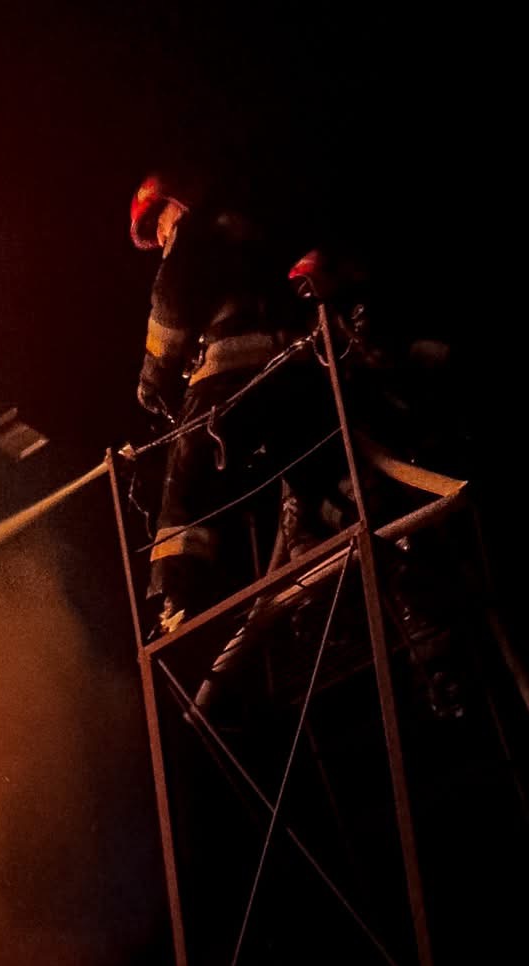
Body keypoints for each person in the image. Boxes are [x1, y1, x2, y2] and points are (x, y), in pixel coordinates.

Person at [131, 173, 314, 634]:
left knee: (186, 480)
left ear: (176, 204)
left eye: (159, 221)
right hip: (296, 370)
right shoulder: (246, 231)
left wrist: (154, 377)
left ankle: (179, 593)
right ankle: (313, 559)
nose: (160, 235)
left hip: (231, 372)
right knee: (308, 470)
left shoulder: (193, 233)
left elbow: (170, 302)